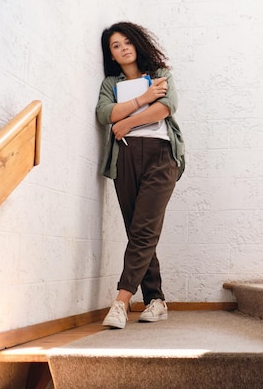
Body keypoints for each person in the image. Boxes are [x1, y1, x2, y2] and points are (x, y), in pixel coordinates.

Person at [96, 22, 185, 329]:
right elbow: (105, 114)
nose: (123, 48)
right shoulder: (112, 82)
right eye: (115, 46)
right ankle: (156, 300)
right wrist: (142, 99)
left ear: (137, 43)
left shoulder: (161, 74)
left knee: (144, 229)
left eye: (126, 42)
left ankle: (121, 301)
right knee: (139, 231)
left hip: (161, 156)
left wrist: (128, 122)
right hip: (126, 157)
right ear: (112, 55)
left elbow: (166, 109)